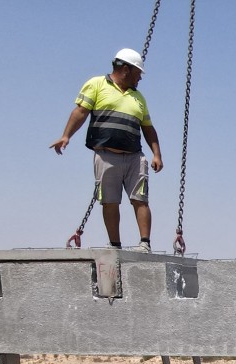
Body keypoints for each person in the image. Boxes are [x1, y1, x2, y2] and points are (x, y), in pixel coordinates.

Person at [51, 48, 163, 252]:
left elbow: (148, 128)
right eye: (139, 73)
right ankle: (115, 245)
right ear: (126, 70)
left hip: (134, 157)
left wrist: (156, 154)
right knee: (109, 201)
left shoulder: (139, 97)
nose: (140, 78)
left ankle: (144, 244)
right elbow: (81, 112)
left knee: (140, 199)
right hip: (106, 155)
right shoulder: (97, 84)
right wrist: (66, 135)